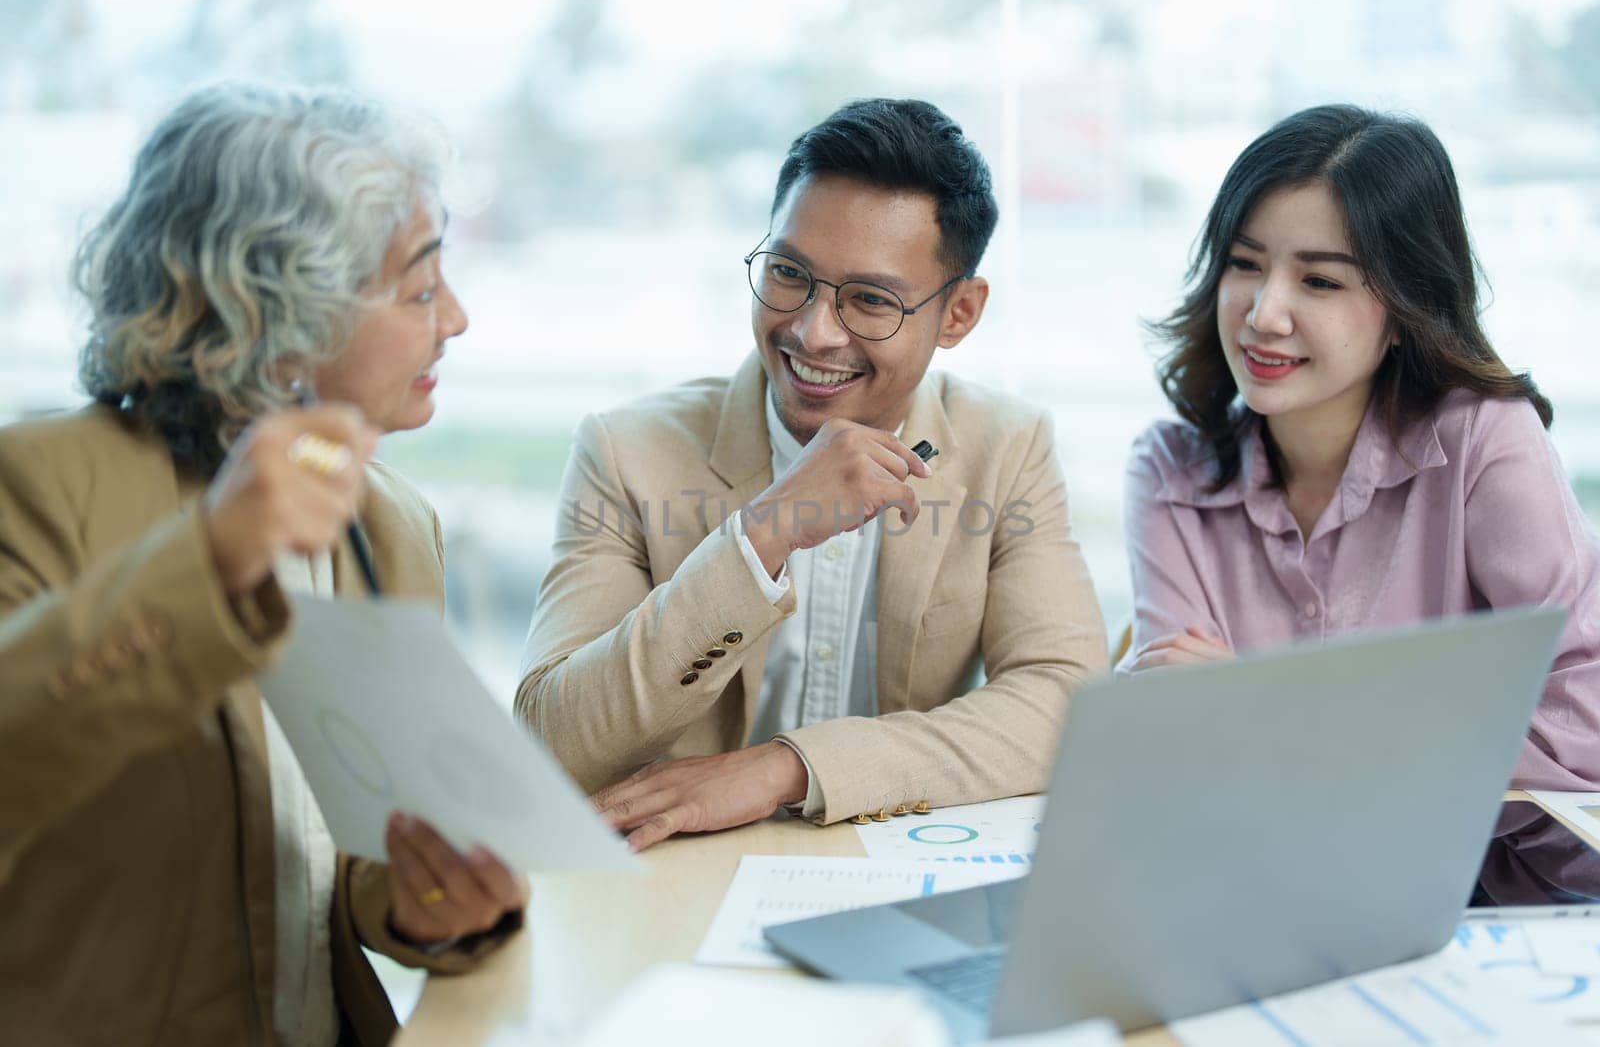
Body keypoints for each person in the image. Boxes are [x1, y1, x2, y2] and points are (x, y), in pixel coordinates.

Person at [0, 83, 524, 1045]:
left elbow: (362, 851)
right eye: (418, 287)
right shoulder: (35, 485)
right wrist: (206, 562)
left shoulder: (394, 524)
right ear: (277, 310)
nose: (454, 318)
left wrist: (431, 902)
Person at [518, 98, 1107, 851]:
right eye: (789, 273)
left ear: (958, 313)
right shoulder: (624, 451)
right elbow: (549, 738)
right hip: (671, 876)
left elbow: (1065, 703)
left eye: (870, 300)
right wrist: (761, 534)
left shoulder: (1008, 446)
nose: (812, 330)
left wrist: (786, 768)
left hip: (898, 867)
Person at [1121, 104, 1600, 797]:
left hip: (1499, 887)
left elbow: (1582, 717)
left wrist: (1263, 711)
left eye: (1320, 281)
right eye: (1245, 264)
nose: (1264, 314)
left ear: (1407, 309)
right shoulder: (1169, 472)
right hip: (1260, 872)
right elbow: (1179, 734)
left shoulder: (1482, 437)